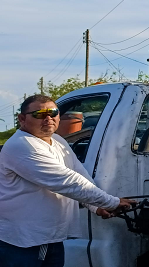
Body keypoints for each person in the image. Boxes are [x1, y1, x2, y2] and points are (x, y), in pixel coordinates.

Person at [0, 94, 135, 267]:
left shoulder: (57, 141)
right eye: (40, 114)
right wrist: (111, 202)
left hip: (50, 237)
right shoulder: (21, 145)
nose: (48, 118)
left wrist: (96, 206)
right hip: (23, 241)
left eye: (53, 113)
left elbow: (79, 173)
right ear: (22, 119)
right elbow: (68, 181)